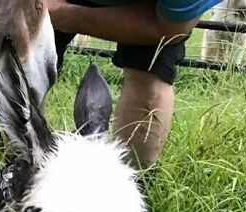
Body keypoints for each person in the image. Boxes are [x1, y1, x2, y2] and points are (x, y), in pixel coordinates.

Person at [47, 0, 223, 167]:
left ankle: (133, 180)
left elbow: (169, 29)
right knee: (24, 64)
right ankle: (26, 165)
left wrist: (66, 15)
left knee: (150, 79)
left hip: (150, 8)